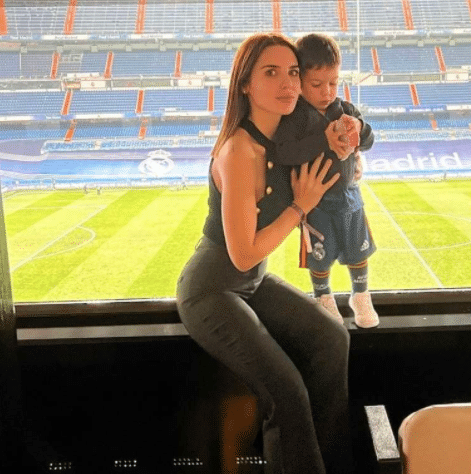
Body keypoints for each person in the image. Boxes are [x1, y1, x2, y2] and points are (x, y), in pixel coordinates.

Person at [176, 32, 352, 474]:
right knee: (286, 393)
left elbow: (343, 149)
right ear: (245, 84)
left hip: (250, 284)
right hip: (212, 290)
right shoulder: (239, 150)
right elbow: (242, 254)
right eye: (271, 73)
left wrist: (348, 141)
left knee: (333, 340)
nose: (288, 83)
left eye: (293, 72)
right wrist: (299, 208)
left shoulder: (288, 140)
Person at [273, 33, 379, 328]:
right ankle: (323, 297)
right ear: (299, 81)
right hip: (314, 203)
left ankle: (360, 295)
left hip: (349, 197)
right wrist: (324, 140)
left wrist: (360, 128)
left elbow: (369, 140)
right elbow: (284, 153)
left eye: (333, 82)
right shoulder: (294, 117)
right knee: (320, 254)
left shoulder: (345, 110)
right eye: (317, 84)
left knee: (358, 248)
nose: (327, 91)